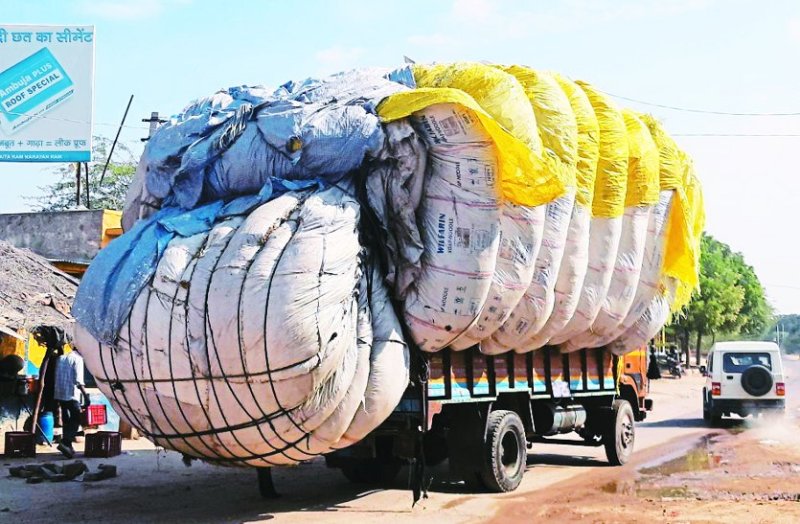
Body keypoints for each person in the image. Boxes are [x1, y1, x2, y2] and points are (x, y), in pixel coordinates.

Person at [54, 347, 89, 458]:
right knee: (77, 418)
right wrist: (86, 396)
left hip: (60, 393)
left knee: (67, 420)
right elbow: (79, 381)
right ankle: (66, 441)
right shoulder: (78, 359)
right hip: (72, 395)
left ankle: (67, 445)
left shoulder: (61, 358)